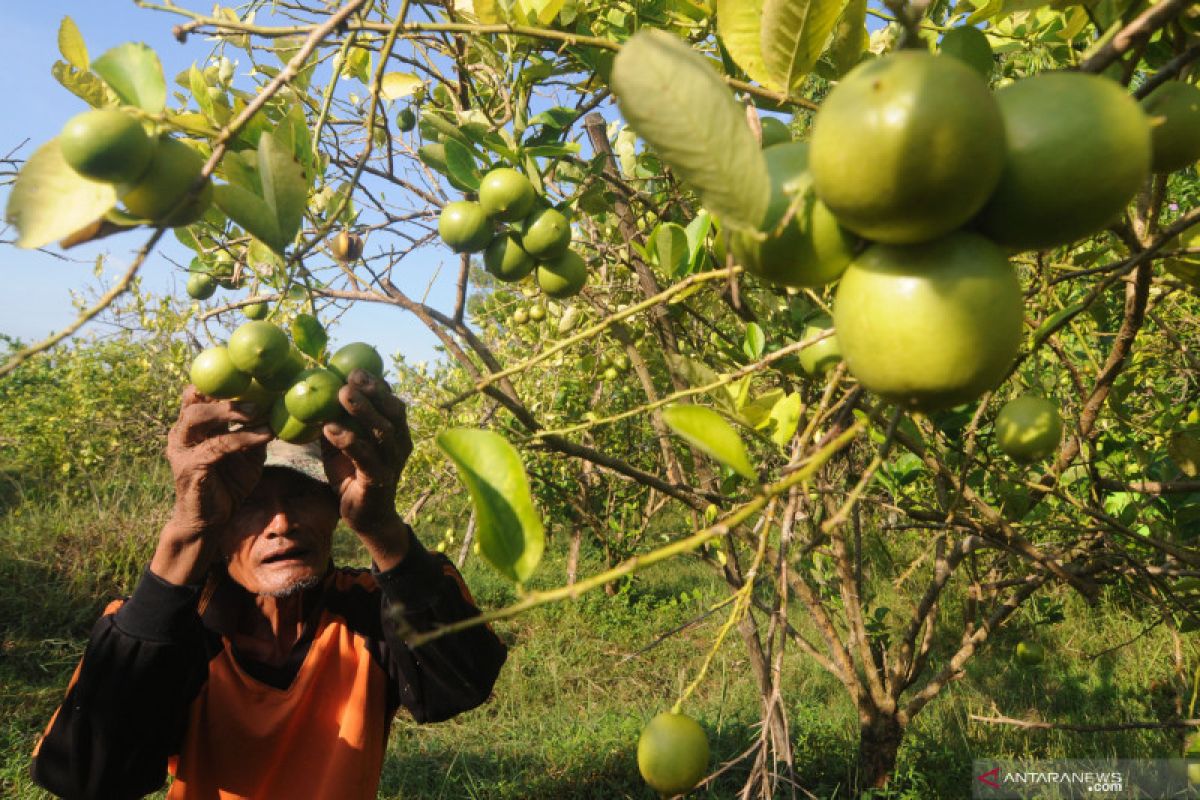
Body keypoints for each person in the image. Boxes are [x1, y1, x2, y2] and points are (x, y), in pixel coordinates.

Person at [30, 370, 507, 799]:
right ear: (219, 524)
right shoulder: (167, 629)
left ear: (336, 506)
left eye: (301, 494)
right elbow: (85, 778)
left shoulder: (372, 610)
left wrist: (382, 526)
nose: (281, 522)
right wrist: (186, 533)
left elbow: (460, 685)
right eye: (250, 502)